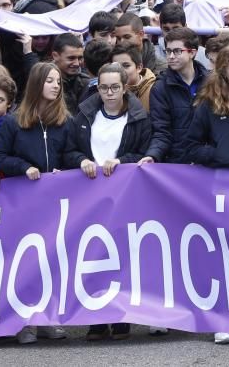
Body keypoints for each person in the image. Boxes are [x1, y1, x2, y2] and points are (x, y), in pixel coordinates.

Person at [64, 62, 150, 341]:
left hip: (124, 195)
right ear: (97, 88)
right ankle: (97, 318)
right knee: (92, 255)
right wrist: (82, 160)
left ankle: (120, 315)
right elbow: (69, 150)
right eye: (103, 87)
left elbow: (143, 152)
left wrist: (122, 161)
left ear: (125, 87)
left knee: (121, 256)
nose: (109, 93)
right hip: (90, 196)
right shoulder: (85, 114)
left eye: (115, 87)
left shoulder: (138, 117)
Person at [0, 61, 70, 344]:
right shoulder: (14, 121)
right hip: (22, 204)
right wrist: (23, 167)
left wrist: (70, 167)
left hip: (53, 204)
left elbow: (71, 153)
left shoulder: (64, 120)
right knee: (25, 263)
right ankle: (25, 322)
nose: (56, 86)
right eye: (50, 80)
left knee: (51, 261)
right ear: (37, 84)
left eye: (58, 81)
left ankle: (48, 319)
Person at [149, 27, 208, 163]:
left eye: (177, 51)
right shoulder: (160, 88)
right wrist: (153, 155)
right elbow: (161, 131)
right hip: (176, 163)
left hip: (207, 162)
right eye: (168, 51)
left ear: (192, 53)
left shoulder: (211, 83)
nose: (170, 56)